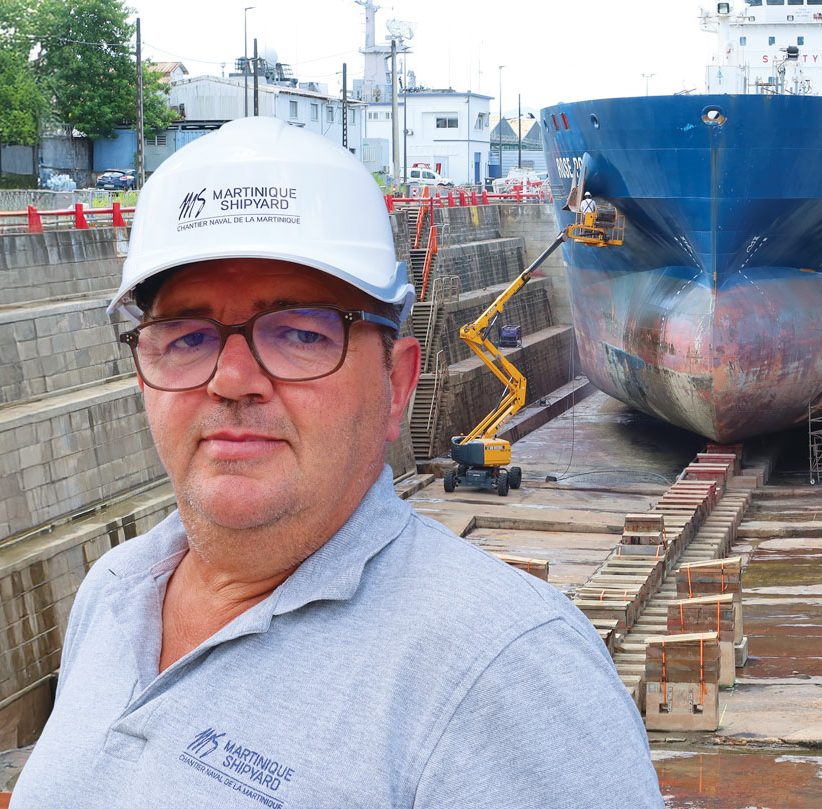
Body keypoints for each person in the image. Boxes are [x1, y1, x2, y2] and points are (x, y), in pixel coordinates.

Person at [11, 118, 663, 808]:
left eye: (298, 333)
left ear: (397, 386)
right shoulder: (113, 592)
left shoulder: (504, 674)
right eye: (185, 336)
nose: (232, 379)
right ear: (143, 378)